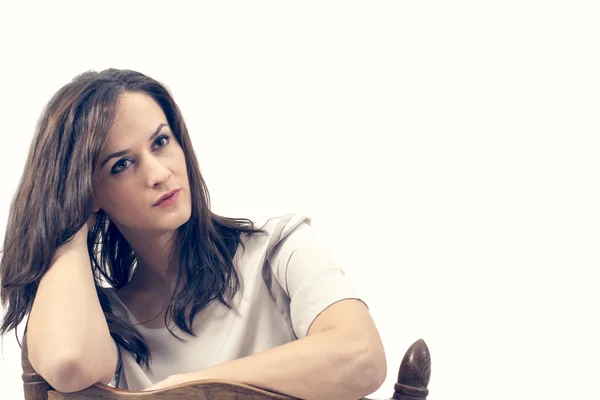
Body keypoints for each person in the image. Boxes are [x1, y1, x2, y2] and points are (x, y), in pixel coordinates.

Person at [0, 68, 386, 399]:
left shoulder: (278, 250)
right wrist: (68, 228)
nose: (158, 173)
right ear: (88, 192)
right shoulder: (105, 321)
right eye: (122, 165)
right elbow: (69, 364)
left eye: (161, 142)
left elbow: (362, 356)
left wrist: (190, 387)